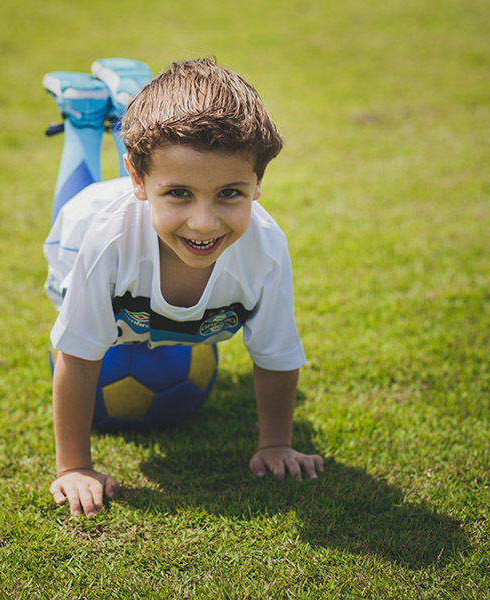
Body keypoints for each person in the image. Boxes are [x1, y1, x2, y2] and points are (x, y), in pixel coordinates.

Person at [42, 58, 324, 517]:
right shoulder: (105, 241)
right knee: (86, 198)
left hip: (143, 213)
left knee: (168, 180)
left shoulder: (265, 250)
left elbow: (276, 355)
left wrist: (276, 443)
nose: (204, 221)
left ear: (258, 183)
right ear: (139, 181)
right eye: (180, 195)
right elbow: (77, 354)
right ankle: (85, 119)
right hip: (78, 236)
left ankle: (132, 108)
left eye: (230, 193)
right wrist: (74, 467)